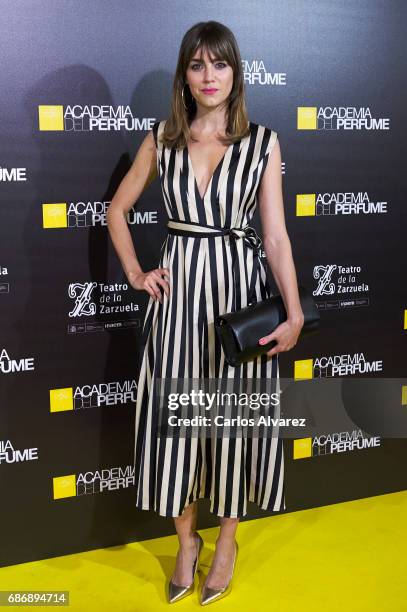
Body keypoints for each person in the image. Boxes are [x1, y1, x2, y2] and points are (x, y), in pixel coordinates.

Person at [107, 20, 304, 607]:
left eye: (219, 64)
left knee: (233, 431)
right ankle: (185, 542)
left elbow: (275, 237)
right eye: (197, 65)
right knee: (179, 433)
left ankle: (226, 545)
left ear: (235, 72)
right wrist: (138, 274)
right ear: (184, 75)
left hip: (241, 310)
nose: (209, 76)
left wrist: (293, 313)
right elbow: (117, 209)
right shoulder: (163, 139)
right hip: (178, 316)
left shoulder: (263, 142)